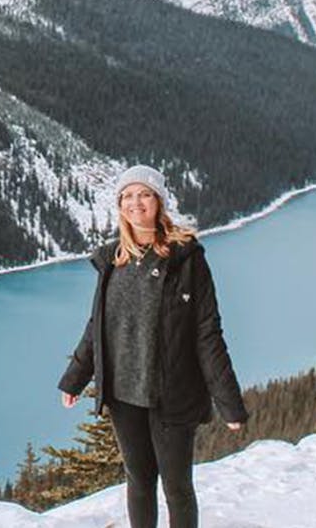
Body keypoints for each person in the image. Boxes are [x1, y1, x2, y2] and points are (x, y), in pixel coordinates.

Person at [57, 164, 248, 528]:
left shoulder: (187, 259)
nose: (135, 202)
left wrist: (228, 402)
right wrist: (75, 378)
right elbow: (99, 326)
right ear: (119, 205)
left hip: (172, 395)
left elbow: (207, 333)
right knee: (139, 482)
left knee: (177, 488)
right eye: (127, 196)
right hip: (123, 395)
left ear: (159, 202)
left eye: (144, 194)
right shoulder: (113, 260)